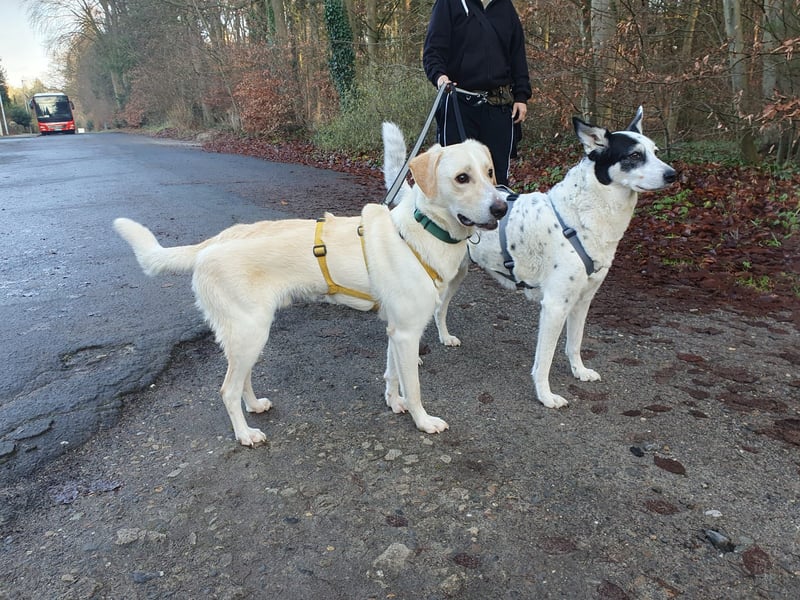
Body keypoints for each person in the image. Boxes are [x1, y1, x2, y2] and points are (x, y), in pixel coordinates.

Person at [423, 0, 531, 186]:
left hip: (498, 106)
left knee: (497, 179)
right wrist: (440, 77)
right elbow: (433, 50)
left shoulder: (504, 6)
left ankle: (497, 216)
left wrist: (521, 95)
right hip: (459, 103)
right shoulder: (449, 4)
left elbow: (517, 54)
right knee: (456, 177)